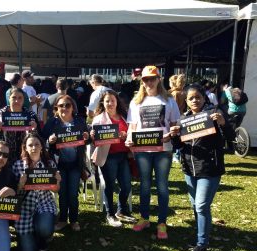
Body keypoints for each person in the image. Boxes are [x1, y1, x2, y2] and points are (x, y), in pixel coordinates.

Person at [170, 84, 235, 251]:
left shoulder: (214, 115)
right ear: (186, 101)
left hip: (210, 168)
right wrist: (174, 135)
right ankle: (201, 236)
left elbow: (231, 138)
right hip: (190, 169)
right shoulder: (184, 119)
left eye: (198, 97)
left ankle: (202, 244)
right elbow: (178, 146)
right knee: (196, 205)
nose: (195, 100)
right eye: (191, 98)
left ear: (204, 98)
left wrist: (223, 124)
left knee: (201, 205)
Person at [125, 65, 180, 239]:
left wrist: (171, 134)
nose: (149, 82)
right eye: (145, 79)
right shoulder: (136, 101)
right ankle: (144, 218)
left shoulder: (169, 100)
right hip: (143, 150)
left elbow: (175, 125)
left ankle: (162, 222)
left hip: (163, 149)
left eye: (152, 78)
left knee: (162, 186)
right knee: (145, 185)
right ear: (142, 81)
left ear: (158, 79)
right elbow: (132, 126)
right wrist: (129, 139)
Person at [42, 95, 89, 232]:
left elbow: (87, 140)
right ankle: (62, 219)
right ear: (56, 108)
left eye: (67, 105)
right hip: (59, 164)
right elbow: (41, 140)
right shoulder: (52, 122)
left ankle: (74, 220)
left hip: (75, 164)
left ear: (72, 107)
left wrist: (86, 138)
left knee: (73, 193)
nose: (64, 108)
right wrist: (48, 141)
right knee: (62, 193)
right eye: (61, 105)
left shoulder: (79, 121)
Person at [90, 90, 134, 227]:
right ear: (103, 103)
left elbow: (131, 132)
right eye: (107, 101)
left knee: (126, 185)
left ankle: (121, 210)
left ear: (117, 102)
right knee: (109, 186)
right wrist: (93, 136)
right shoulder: (98, 119)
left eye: (112, 100)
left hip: (123, 155)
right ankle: (110, 214)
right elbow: (94, 142)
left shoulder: (124, 116)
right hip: (108, 156)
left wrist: (125, 135)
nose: (110, 103)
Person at [12, 133, 61, 251]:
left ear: (41, 147)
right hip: (24, 207)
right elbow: (14, 194)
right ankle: (29, 234)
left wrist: (57, 182)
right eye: (30, 145)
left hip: (44, 203)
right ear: (25, 148)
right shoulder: (17, 165)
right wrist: (20, 185)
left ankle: (42, 236)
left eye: (37, 145)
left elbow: (56, 190)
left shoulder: (49, 164)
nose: (34, 148)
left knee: (45, 229)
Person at [0, 87, 40, 165]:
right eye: (14, 97)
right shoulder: (0, 114)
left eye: (20, 98)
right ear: (9, 99)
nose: (17, 101)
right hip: (4, 157)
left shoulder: (31, 115)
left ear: (24, 100)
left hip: (25, 158)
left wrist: (35, 129)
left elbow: (39, 137)